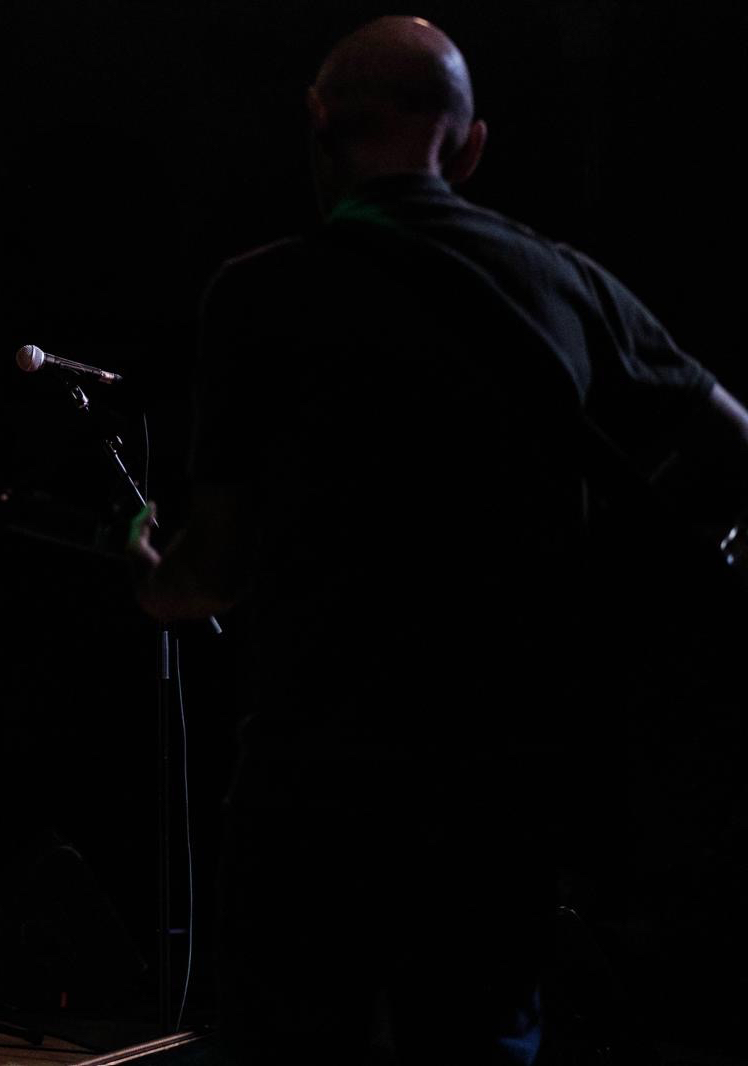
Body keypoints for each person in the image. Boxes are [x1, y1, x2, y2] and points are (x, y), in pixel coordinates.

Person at [130, 16, 748, 1064]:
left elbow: (211, 572)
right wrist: (606, 574)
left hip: (313, 784)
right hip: (497, 786)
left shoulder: (259, 294)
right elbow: (730, 443)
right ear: (468, 148)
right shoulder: (559, 281)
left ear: (317, 124)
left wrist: (149, 572)